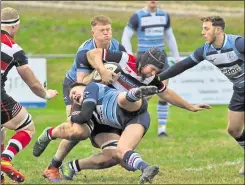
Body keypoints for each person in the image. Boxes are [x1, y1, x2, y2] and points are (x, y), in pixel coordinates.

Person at [33, 15, 126, 182]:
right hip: (75, 87)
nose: (106, 33)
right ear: (93, 33)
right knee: (76, 130)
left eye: (108, 30)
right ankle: (52, 164)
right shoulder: (84, 51)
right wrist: (100, 72)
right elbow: (81, 83)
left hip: (100, 90)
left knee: (102, 135)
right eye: (102, 30)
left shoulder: (118, 48)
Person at [157, 16, 244, 175]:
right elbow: (182, 66)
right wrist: (157, 79)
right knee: (233, 130)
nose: (202, 32)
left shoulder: (237, 44)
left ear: (218, 30)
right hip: (239, 90)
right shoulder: (205, 50)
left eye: (206, 29)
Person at [0, 7, 58, 183]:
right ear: (15, 26)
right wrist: (46, 94)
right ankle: (5, 159)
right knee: (27, 127)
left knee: (1, 128)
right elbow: (32, 83)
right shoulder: (14, 48)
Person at [121, 0, 181, 137]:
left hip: (161, 59)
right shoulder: (137, 16)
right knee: (143, 94)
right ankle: (130, 124)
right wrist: (130, 55)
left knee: (163, 93)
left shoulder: (164, 16)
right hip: (144, 59)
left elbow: (169, 36)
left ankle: (162, 129)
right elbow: (126, 36)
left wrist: (176, 57)